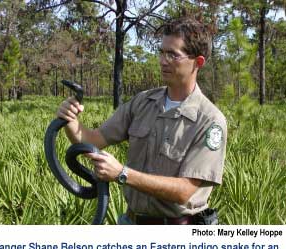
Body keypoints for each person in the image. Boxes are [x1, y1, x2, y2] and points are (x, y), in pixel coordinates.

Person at [57, 16, 227, 225]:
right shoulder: (142, 102)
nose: (163, 61)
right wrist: (71, 120)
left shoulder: (209, 120)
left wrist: (122, 173)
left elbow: (185, 190)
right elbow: (93, 140)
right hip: (131, 223)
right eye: (162, 53)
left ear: (197, 62)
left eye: (173, 55)